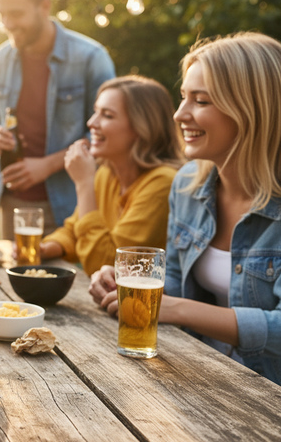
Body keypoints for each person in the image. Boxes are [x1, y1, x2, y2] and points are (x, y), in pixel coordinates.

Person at [89, 33, 281, 384]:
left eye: (201, 101)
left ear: (251, 109)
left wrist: (178, 309)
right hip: (199, 372)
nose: (180, 114)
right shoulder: (188, 184)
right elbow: (174, 283)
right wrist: (128, 286)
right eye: (183, 98)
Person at [0, 0, 115, 239]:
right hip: (11, 202)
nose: (7, 23)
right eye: (2, 14)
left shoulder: (91, 58)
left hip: (70, 203)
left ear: (44, 6)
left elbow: (108, 134)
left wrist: (48, 165)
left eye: (16, 14)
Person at [38, 76, 184, 275]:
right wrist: (48, 247)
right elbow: (75, 229)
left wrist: (84, 184)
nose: (91, 123)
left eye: (107, 115)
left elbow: (106, 264)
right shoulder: (107, 173)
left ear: (141, 128)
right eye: (95, 112)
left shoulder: (163, 183)